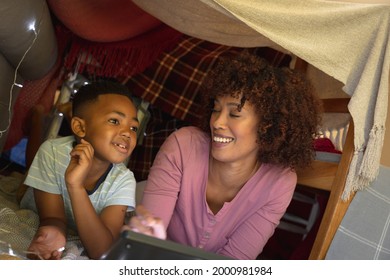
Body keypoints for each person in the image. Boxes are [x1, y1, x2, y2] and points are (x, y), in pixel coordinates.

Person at [123, 51, 322, 260]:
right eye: (216, 109)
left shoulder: (279, 182)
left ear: (268, 125)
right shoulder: (183, 146)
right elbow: (148, 245)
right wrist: (145, 236)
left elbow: (233, 263)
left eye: (234, 113)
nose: (217, 122)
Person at [20, 80, 139, 259]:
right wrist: (54, 231)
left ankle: (61, 112)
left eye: (133, 127)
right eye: (115, 121)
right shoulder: (53, 151)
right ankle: (38, 119)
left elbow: (102, 251)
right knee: (28, 172)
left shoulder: (124, 180)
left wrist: (75, 186)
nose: (127, 133)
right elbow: (53, 219)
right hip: (34, 198)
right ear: (80, 127)